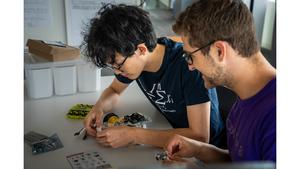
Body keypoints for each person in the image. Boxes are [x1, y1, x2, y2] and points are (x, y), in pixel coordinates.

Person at [81, 3, 224, 149]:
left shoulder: (190, 66)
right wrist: (99, 108)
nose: (117, 72)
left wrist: (133, 135)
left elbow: (200, 136)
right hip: (168, 132)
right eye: (112, 67)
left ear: (141, 50)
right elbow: (114, 90)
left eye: (118, 65)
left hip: (205, 153)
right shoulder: (135, 64)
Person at [165, 0, 276, 163]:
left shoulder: (276, 117)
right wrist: (198, 149)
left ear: (219, 51)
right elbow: (240, 161)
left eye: (191, 57)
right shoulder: (248, 94)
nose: (190, 67)